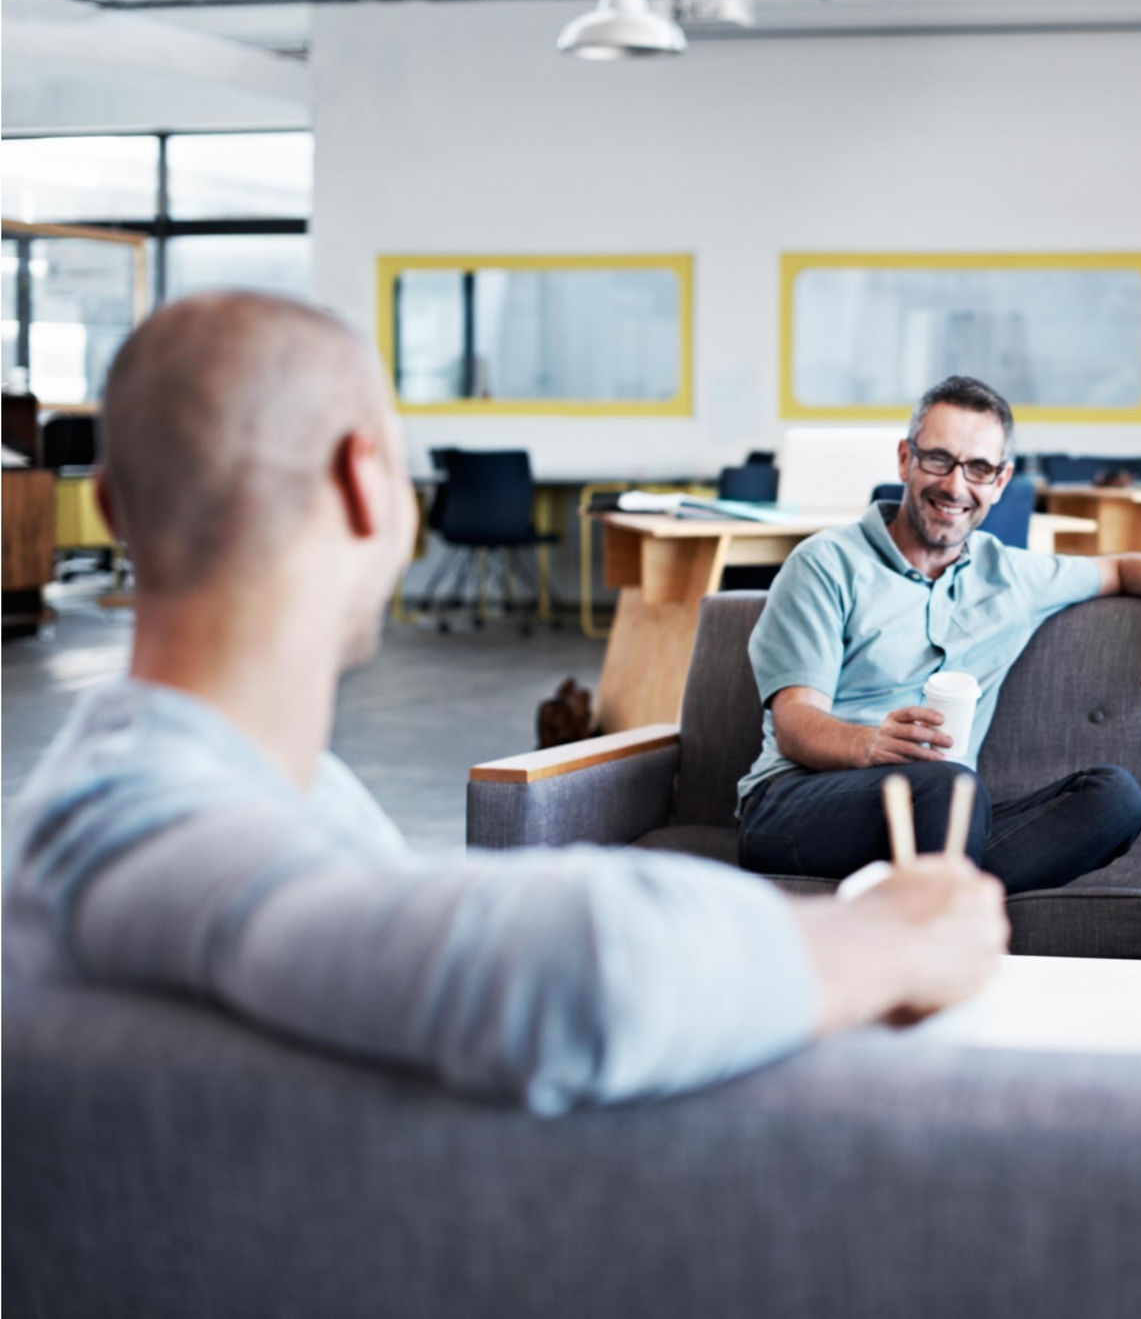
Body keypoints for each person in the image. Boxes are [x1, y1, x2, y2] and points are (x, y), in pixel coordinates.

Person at [2, 292, 1010, 1116]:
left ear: (119, 512)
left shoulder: (209, 789)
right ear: (366, 485)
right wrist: (890, 937)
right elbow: (571, 976)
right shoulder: (138, 824)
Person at [737, 375, 1141, 893]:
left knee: (1115, 798)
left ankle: (916, 893)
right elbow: (796, 722)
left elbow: (1121, 569)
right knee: (951, 787)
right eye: (938, 459)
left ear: (1000, 481)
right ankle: (940, 914)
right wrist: (869, 744)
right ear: (904, 460)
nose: (955, 486)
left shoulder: (1012, 576)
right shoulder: (826, 564)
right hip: (798, 801)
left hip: (943, 814)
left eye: (978, 468)